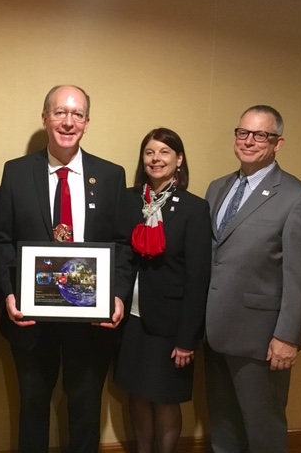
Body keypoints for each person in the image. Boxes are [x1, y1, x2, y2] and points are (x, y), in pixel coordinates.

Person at [0, 85, 130, 452]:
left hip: (91, 322)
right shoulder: (17, 173)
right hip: (31, 320)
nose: (68, 122)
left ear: (87, 122)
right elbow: (2, 239)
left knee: (86, 408)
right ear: (44, 119)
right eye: (59, 112)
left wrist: (117, 296)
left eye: (77, 114)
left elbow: (122, 245)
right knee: (33, 408)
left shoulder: (111, 175)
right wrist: (8, 294)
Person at [204, 105, 301, 453]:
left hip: (261, 341)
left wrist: (287, 337)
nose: (249, 141)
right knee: (223, 426)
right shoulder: (217, 188)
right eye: (243, 133)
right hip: (215, 331)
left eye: (261, 135)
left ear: (278, 143)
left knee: (263, 429)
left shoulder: (298, 198)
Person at [114, 128, 211, 453]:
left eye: (165, 152)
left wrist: (187, 339)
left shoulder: (194, 209)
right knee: (137, 394)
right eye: (150, 152)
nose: (156, 159)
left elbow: (198, 278)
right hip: (132, 321)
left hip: (170, 325)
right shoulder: (128, 200)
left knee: (166, 399)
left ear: (179, 159)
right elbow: (118, 255)